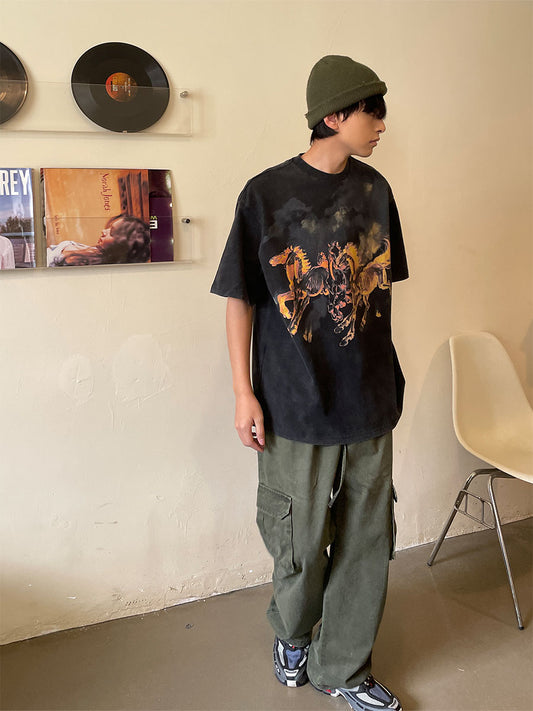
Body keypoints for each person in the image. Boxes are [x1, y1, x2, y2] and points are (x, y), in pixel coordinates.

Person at [211, 55, 408, 711]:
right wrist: (243, 392)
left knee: (367, 539)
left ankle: (343, 666)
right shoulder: (265, 195)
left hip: (369, 399)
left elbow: (377, 290)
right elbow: (239, 298)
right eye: (372, 111)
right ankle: (293, 632)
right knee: (297, 537)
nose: (382, 123)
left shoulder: (376, 191)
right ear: (335, 115)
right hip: (294, 401)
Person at [47, 214, 150, 266]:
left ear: (121, 246)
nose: (103, 231)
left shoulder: (87, 264)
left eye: (111, 233)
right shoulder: (95, 252)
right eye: (109, 228)